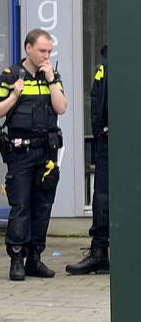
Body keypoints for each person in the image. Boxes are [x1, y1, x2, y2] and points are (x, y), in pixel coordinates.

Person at [0, 29, 68, 281]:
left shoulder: (51, 76)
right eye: (42, 50)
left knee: (42, 206)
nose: (46, 55)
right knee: (21, 206)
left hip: (46, 152)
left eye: (49, 51)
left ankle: (35, 258)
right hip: (21, 153)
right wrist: (14, 96)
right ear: (28, 48)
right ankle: (17, 259)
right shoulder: (11, 76)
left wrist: (52, 81)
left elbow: (61, 108)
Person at [67, 46, 110, 274]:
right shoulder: (106, 65)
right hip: (107, 143)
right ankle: (100, 252)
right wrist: (101, 133)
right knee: (102, 197)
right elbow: (97, 102)